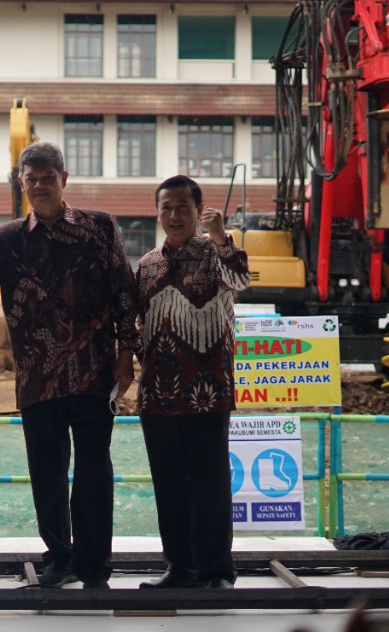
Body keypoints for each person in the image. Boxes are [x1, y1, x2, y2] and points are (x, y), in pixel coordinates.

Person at [0, 142, 138, 590]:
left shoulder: (100, 227)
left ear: (64, 179)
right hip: (37, 380)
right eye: (31, 179)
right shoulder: (11, 237)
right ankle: (59, 559)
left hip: (95, 374)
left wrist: (127, 355)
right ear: (22, 184)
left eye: (47, 177)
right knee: (47, 475)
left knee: (94, 472)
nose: (39, 186)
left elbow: (125, 294)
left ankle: (94, 566)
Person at [133, 175, 251, 590]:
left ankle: (217, 570)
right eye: (166, 206)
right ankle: (180, 567)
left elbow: (241, 280)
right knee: (169, 486)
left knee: (210, 485)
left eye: (183, 206)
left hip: (207, 390)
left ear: (199, 211)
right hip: (156, 395)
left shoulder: (217, 253)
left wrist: (222, 238)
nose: (174, 214)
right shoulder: (146, 264)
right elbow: (134, 323)